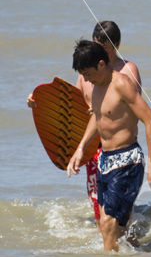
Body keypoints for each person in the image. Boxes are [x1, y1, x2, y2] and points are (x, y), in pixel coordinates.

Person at [27, 20, 141, 231]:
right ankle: (110, 248)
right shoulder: (86, 74)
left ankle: (126, 244)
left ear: (116, 44)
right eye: (97, 45)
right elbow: (71, 105)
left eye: (105, 47)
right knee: (98, 201)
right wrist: (40, 103)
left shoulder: (127, 70)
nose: (100, 51)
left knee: (121, 212)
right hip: (92, 146)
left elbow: (132, 109)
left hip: (119, 146)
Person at [67, 40, 151, 251]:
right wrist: (81, 146)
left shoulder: (121, 84)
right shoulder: (97, 87)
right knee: (111, 229)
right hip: (105, 162)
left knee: (108, 226)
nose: (85, 79)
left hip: (127, 161)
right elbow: (98, 117)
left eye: (87, 73)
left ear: (101, 64)